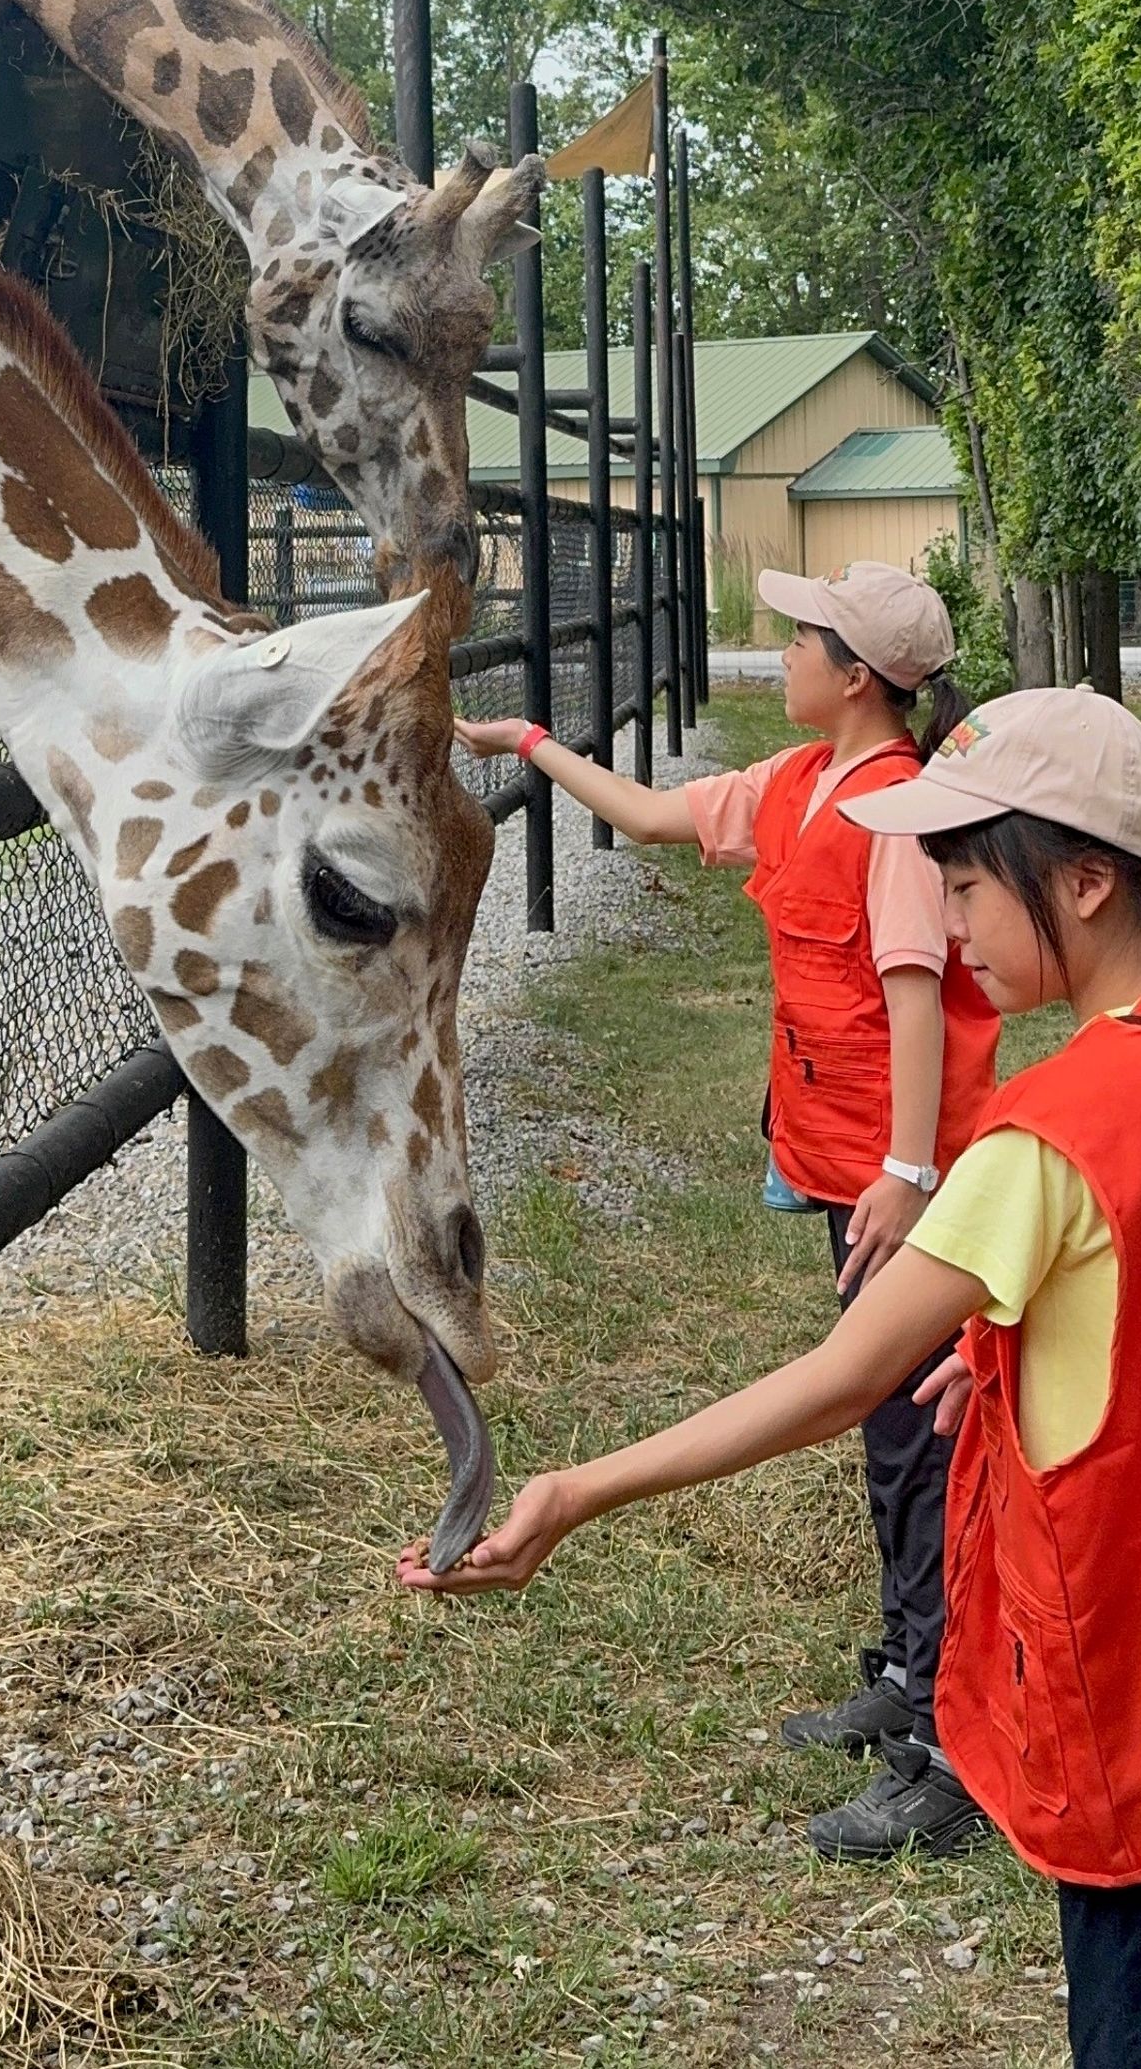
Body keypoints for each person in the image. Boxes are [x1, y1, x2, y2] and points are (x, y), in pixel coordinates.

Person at [407, 688, 1141, 2069]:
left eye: (968, 883)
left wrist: (577, 1489)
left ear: (1087, 881)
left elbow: (838, 1376)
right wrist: (1046, 1342)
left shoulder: (1047, 1136)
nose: (948, 919)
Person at [451, 559, 1000, 1857]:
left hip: (903, 1185)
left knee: (917, 1444)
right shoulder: (799, 787)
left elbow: (917, 996)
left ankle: (943, 1734)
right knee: (886, 1428)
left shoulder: (898, 817)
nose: (781, 647)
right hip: (856, 1173)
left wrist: (909, 1173)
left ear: (855, 675)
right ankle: (906, 1665)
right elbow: (648, 813)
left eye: (800, 635)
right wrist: (526, 741)